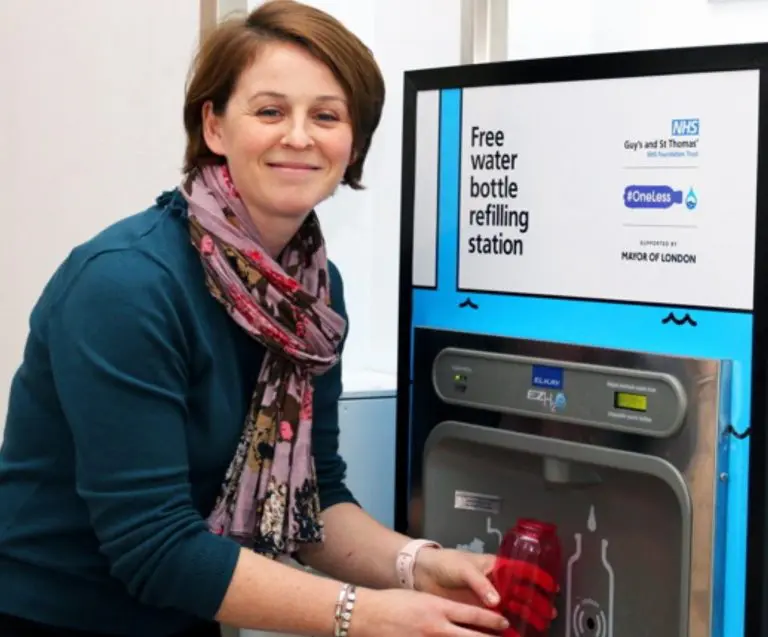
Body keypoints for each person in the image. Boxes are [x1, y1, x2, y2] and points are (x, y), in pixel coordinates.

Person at [0, 1, 557, 636]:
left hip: (186, 617)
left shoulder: (311, 294)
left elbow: (313, 498)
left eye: (327, 115)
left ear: (354, 143)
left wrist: (421, 566)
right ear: (214, 127)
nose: (298, 136)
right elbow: (153, 547)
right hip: (54, 616)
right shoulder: (126, 285)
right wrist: (365, 616)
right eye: (270, 111)